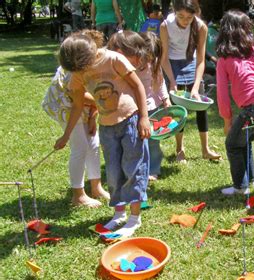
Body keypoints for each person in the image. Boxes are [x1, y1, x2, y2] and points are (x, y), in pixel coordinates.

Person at [54, 33, 151, 237]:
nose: (80, 73)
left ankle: (134, 218)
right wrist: (66, 135)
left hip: (130, 121)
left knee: (133, 168)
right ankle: (119, 214)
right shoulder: (77, 72)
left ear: (88, 57)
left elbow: (138, 86)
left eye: (81, 69)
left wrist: (144, 117)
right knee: (114, 173)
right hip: (107, 127)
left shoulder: (114, 59)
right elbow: (78, 105)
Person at [42, 30, 109, 208]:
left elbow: (94, 96)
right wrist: (66, 136)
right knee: (80, 147)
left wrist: (93, 117)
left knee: (93, 143)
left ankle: (96, 187)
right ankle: (78, 195)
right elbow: (80, 104)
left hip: (82, 105)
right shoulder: (73, 73)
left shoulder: (92, 62)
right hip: (63, 106)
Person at [216, 10, 254, 195]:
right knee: (245, 140)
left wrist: (227, 120)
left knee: (233, 144)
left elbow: (222, 94)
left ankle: (240, 187)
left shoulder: (223, 59)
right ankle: (249, 179)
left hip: (252, 110)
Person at [160, 0, 221, 163]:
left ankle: (205, 149)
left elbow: (201, 60)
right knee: (178, 109)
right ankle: (180, 149)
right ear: (174, 11)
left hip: (192, 62)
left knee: (200, 106)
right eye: (181, 16)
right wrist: (172, 81)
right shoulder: (166, 25)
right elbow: (163, 58)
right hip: (172, 64)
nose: (184, 21)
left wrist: (195, 87)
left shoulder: (201, 27)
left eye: (189, 17)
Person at [107, 31, 171, 182]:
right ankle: (134, 168)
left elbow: (160, 81)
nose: (148, 60)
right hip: (134, 108)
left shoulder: (153, 63)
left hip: (152, 107)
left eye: (152, 57)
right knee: (134, 140)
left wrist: (166, 98)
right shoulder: (129, 64)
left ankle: (153, 168)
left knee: (153, 140)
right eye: (146, 56)